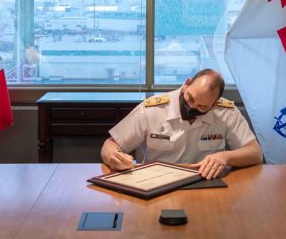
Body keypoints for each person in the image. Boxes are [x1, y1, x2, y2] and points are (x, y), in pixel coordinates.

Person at [101, 69, 262, 179]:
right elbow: (110, 144)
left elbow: (255, 153)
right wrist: (113, 156)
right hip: (156, 182)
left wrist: (225, 157)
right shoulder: (153, 109)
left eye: (202, 107)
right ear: (186, 84)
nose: (191, 107)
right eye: (190, 98)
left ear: (214, 105)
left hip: (206, 183)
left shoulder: (226, 112)